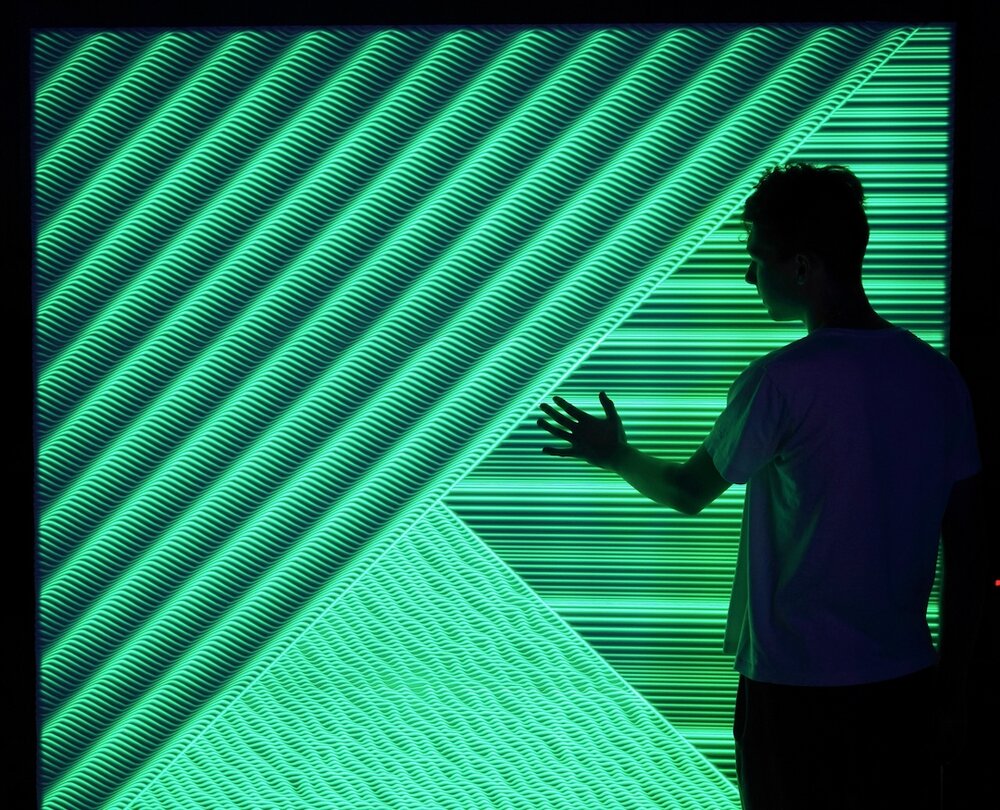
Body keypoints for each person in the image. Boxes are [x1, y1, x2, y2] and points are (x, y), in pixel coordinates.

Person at [536, 161, 984, 809]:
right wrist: (956, 690)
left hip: (797, 692)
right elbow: (970, 549)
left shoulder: (779, 381)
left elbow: (688, 491)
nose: (750, 276)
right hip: (904, 686)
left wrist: (616, 454)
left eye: (756, 257)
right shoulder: (937, 378)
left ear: (801, 267)